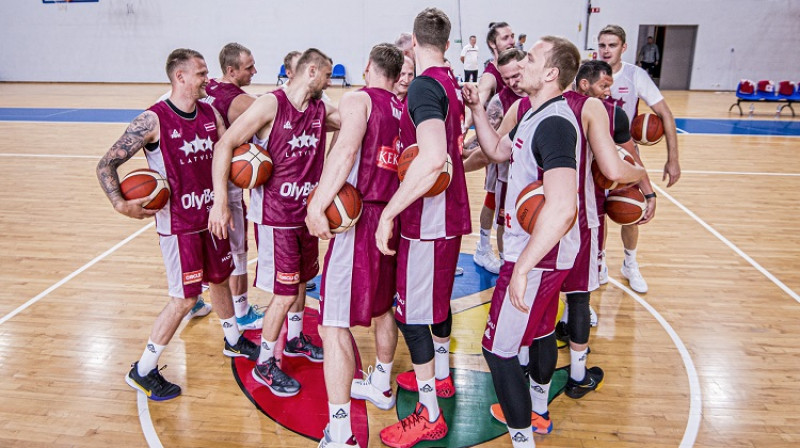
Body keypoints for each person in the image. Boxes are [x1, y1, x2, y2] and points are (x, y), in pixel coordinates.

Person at [465, 36, 642, 447]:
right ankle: (535, 415)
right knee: (540, 333)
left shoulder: (556, 124)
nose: (520, 64)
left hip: (537, 257)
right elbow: (495, 150)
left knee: (498, 350)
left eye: (530, 58)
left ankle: (522, 437)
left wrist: (522, 269)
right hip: (539, 253)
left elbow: (563, 208)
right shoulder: (532, 114)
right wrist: (476, 107)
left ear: (550, 73)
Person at [96, 48, 260, 401]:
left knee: (219, 279)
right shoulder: (152, 120)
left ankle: (233, 340)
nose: (207, 79)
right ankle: (143, 369)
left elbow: (225, 155)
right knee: (184, 300)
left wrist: (225, 199)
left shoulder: (209, 113)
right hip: (179, 227)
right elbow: (105, 164)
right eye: (201, 74)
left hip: (211, 218)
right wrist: (120, 204)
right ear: (180, 77)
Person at [209, 48, 340, 397]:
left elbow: (350, 122)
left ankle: (295, 339)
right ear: (312, 71)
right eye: (326, 77)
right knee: (283, 292)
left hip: (306, 215)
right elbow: (225, 145)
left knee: (300, 282)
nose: (329, 84)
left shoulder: (319, 108)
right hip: (275, 218)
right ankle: (266, 362)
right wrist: (220, 202)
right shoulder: (270, 104)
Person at [375, 8, 471, 447]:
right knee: (434, 305)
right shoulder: (450, 81)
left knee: (411, 315)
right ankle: (443, 377)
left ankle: (430, 413)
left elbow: (433, 158)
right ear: (447, 44)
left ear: (413, 42)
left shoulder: (423, 87)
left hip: (429, 220)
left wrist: (390, 211)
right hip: (447, 216)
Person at [308, 42, 405, 448]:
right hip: (392, 218)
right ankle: (382, 385)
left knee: (332, 324)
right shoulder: (405, 108)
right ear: (398, 73)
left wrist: (317, 205)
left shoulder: (358, 98)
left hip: (360, 220)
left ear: (367, 67)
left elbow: (346, 150)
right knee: (383, 308)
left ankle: (342, 432)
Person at [598, 24, 680, 293]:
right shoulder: (586, 73)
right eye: (602, 45)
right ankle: (599, 263)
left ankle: (630, 263)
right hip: (594, 156)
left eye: (612, 45)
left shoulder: (636, 75)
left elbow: (666, 115)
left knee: (630, 211)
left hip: (626, 154)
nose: (606, 50)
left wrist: (673, 159)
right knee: (596, 216)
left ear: (624, 47)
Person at [204, 42, 264, 331]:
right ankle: (241, 312)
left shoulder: (208, 86)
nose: (255, 71)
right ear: (231, 70)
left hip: (199, 184)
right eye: (249, 67)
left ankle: (192, 302)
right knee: (238, 250)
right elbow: (277, 112)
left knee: (203, 248)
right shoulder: (237, 101)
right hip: (227, 186)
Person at [471, 21, 517, 274]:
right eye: (505, 37)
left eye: (512, 36)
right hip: (501, 153)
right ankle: (484, 246)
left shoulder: (522, 64)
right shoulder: (492, 73)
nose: (511, 40)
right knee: (494, 201)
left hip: (519, 155)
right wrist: (467, 135)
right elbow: (482, 92)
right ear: (493, 44)